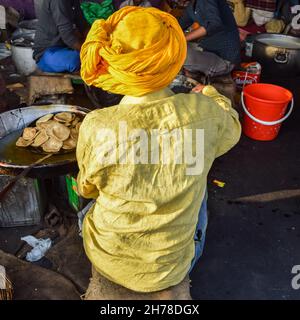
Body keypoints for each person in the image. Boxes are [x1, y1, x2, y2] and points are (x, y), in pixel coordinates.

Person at [77, 6, 241, 298]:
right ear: (174, 60)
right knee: (198, 188)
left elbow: (87, 188)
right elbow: (231, 127)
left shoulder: (97, 126)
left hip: (109, 259)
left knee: (90, 205)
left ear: (117, 67)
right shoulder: (205, 114)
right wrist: (211, 94)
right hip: (172, 267)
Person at [179, 0, 241, 77]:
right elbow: (178, 27)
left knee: (179, 55)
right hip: (209, 50)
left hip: (225, 58)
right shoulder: (191, 7)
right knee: (178, 50)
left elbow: (213, 24)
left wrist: (182, 39)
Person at [33, 0, 88, 73]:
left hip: (64, 46)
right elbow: (68, 37)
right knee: (76, 60)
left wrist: (96, 40)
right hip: (47, 53)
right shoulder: (57, 2)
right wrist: (89, 51)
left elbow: (82, 24)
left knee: (89, 56)